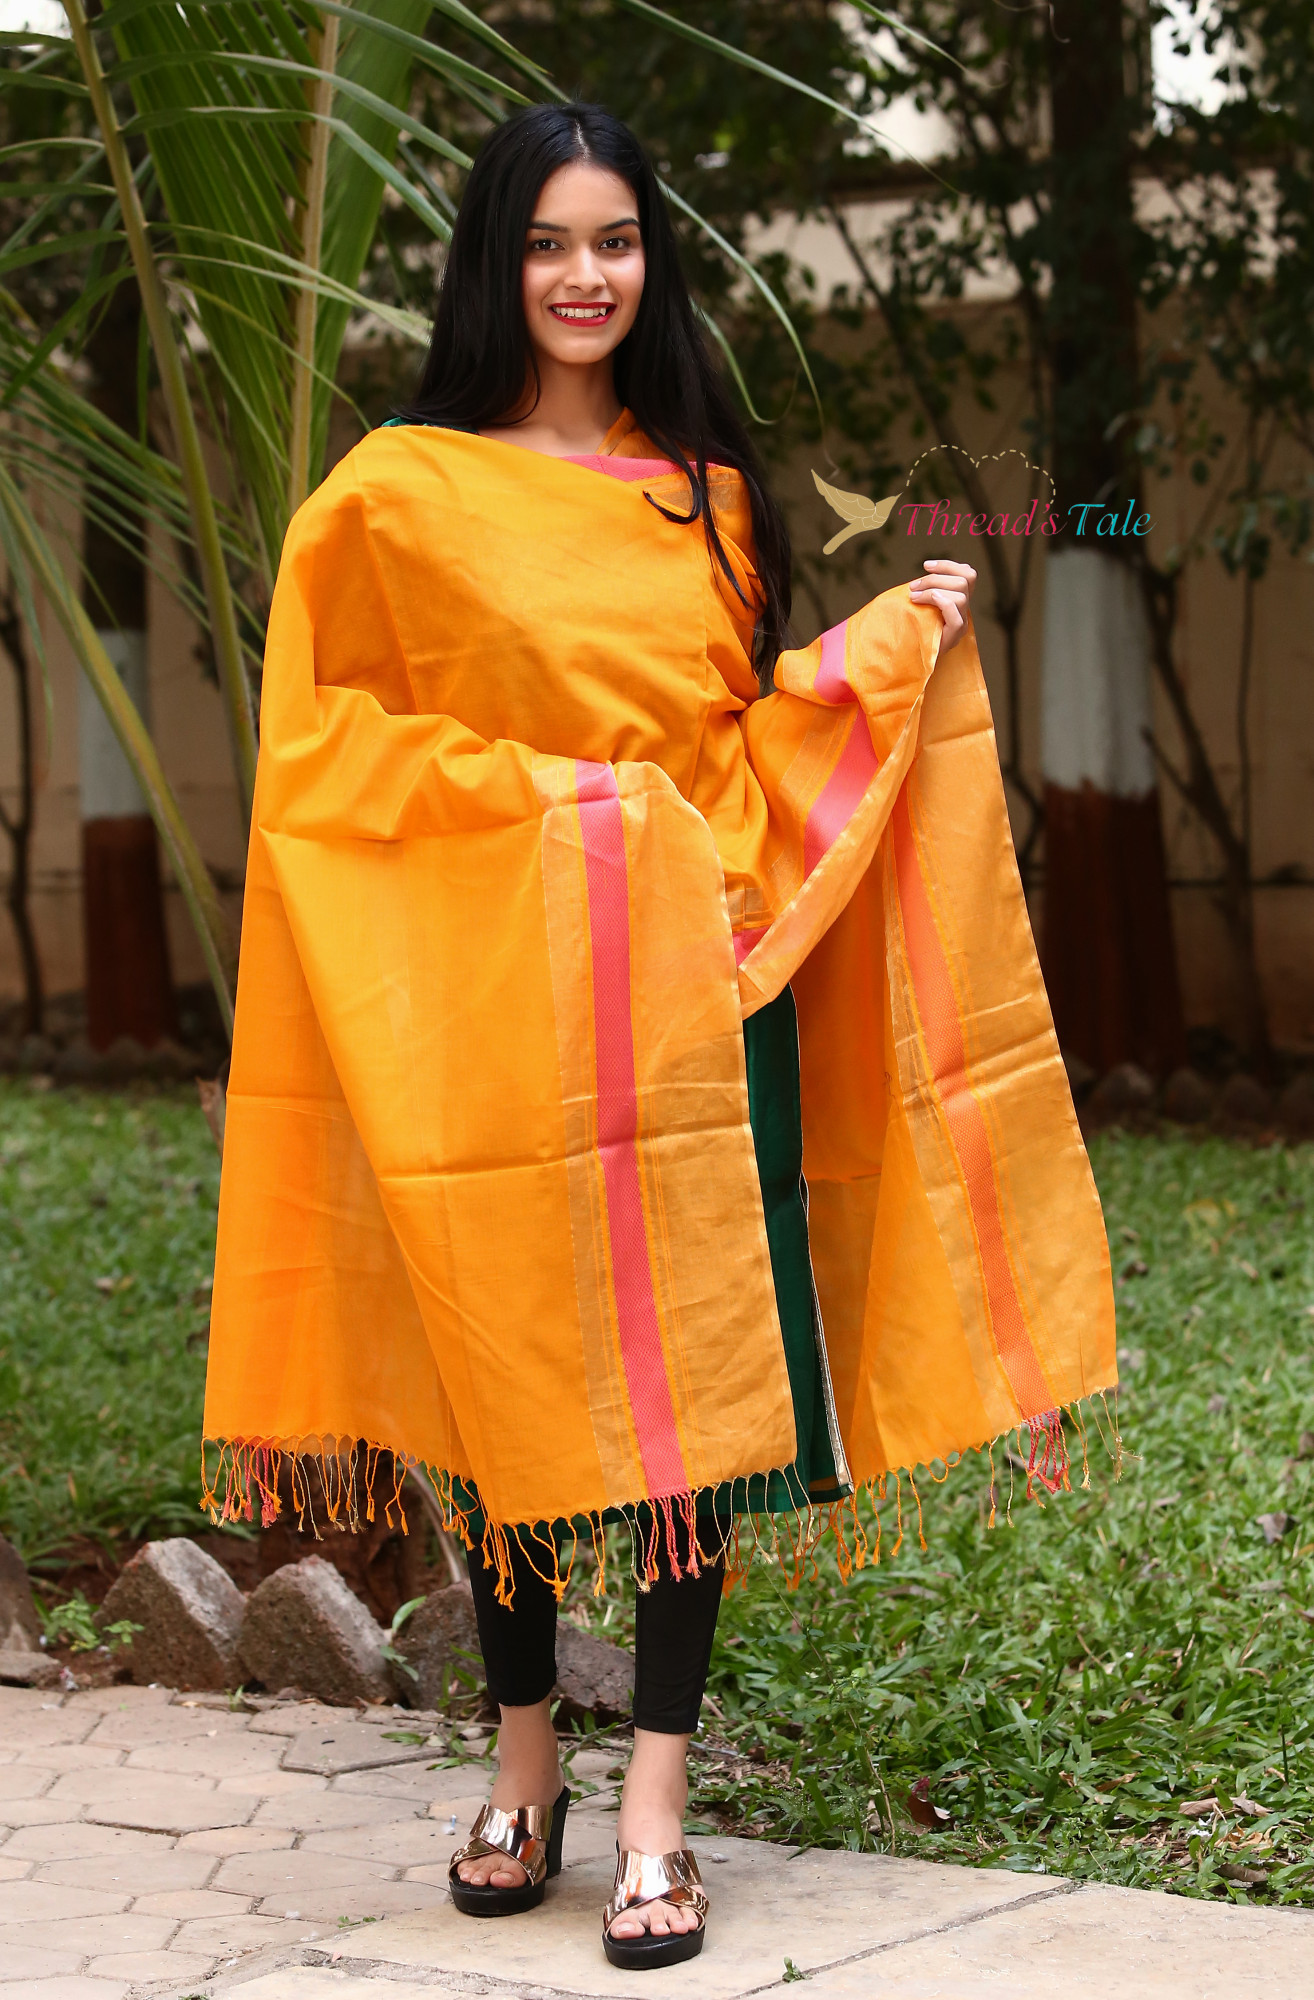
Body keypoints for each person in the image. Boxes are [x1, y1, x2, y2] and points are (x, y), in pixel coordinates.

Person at [204, 103, 1114, 1973]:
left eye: (615, 239)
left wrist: (876, 652)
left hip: (702, 1005)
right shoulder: (395, 496)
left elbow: (733, 740)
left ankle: (655, 1811)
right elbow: (322, 755)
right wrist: (558, 805)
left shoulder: (700, 489)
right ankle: (524, 1766)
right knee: (508, 1397)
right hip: (494, 1015)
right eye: (548, 242)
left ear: (651, 259)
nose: (584, 275)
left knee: (695, 1412)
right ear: (492, 263)